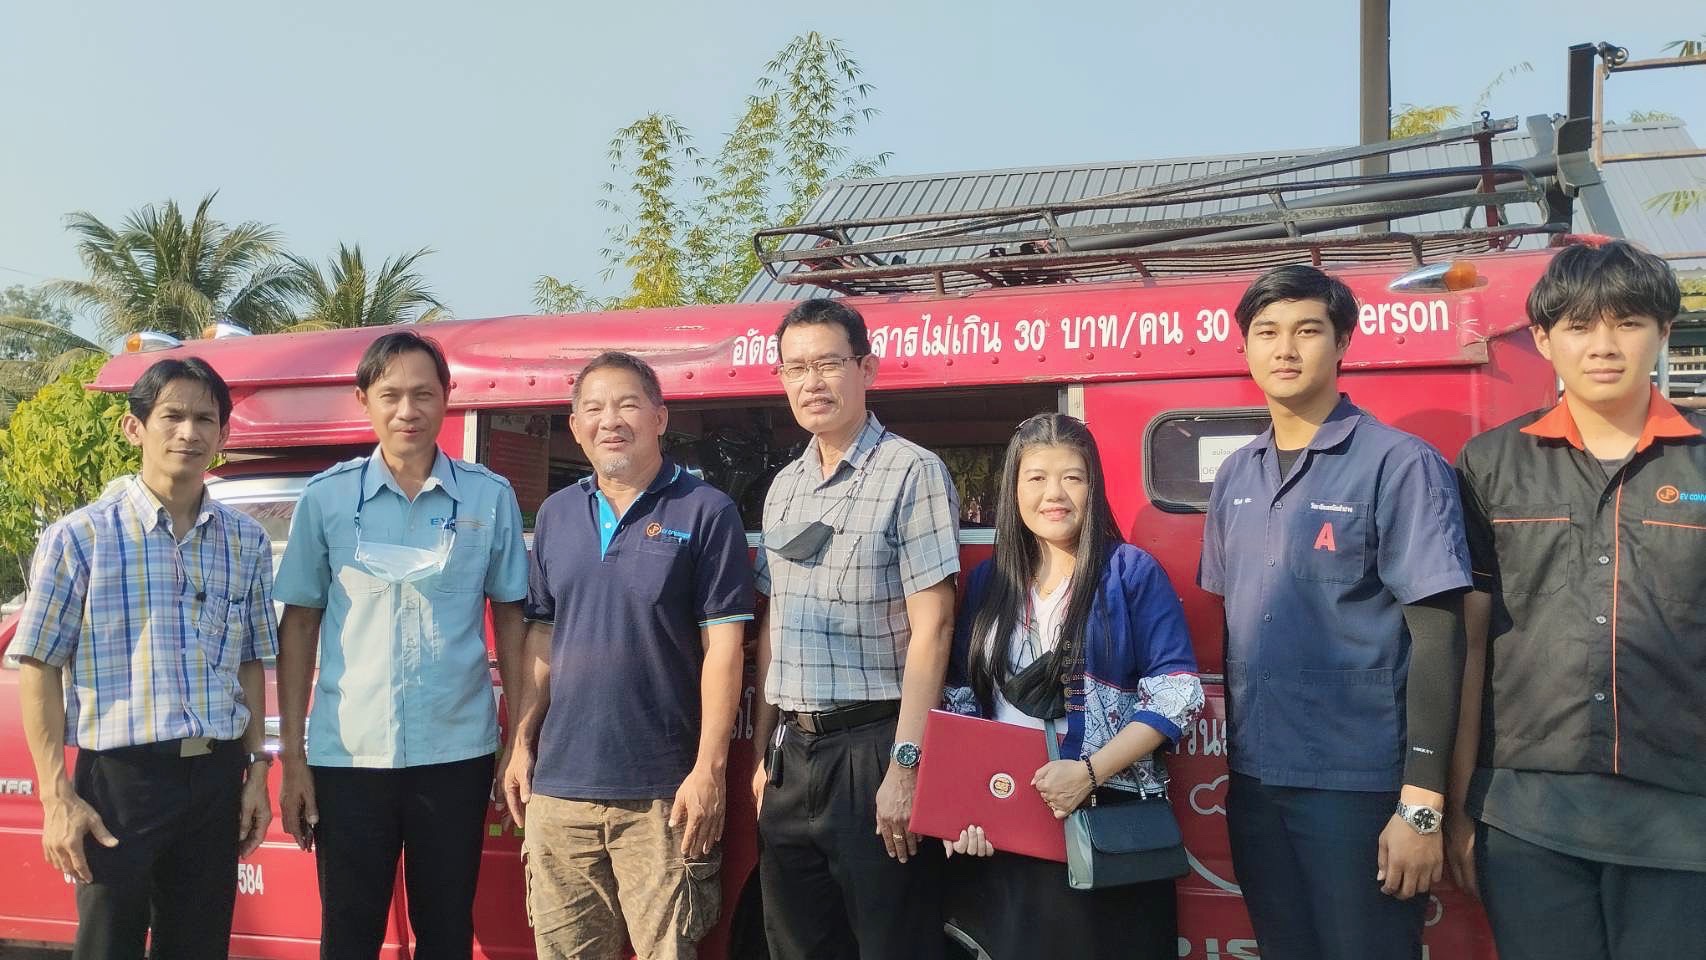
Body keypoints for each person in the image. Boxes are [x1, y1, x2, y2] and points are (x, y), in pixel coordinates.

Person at [1197, 264, 1472, 960]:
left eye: (1307, 330)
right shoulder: (1237, 475)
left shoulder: (1398, 464)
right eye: (1267, 332)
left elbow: (1440, 638)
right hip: (1257, 783)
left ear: (1343, 341)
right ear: (1245, 348)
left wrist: (1422, 803)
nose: (1285, 349)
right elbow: (1236, 622)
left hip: (1359, 789)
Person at [1448, 240, 1706, 958]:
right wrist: (1460, 805)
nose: (1603, 346)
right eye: (1579, 326)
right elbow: (1468, 645)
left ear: (1664, 331)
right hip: (1527, 820)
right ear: (1543, 339)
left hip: (1684, 819)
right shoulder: (1489, 465)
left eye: (1628, 323)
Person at [273, 331, 529, 960]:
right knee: (349, 932)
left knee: (446, 929)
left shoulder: (489, 497)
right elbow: (299, 625)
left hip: (456, 752)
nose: (407, 410)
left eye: (423, 394)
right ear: (364, 400)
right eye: (390, 395)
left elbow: (512, 617)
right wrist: (295, 759)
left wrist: (517, 739)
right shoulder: (327, 499)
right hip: (349, 754)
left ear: (448, 397)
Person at [15, 357, 276, 960]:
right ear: (135, 427)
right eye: (172, 416)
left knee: (199, 947)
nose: (189, 432)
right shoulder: (80, 538)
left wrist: (257, 773)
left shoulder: (246, 540)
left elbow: (249, 662)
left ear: (223, 434)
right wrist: (56, 797)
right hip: (119, 783)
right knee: (109, 946)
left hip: (214, 777)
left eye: (205, 419)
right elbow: (39, 665)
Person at [501, 352, 753, 960]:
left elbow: (724, 648)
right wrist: (521, 743)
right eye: (593, 408)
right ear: (575, 426)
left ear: (659, 418)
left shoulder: (706, 510)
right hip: (559, 793)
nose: (609, 420)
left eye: (627, 405)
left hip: (663, 793)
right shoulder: (557, 514)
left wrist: (709, 769)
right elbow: (542, 637)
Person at [939, 413, 1203, 960]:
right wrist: (964, 807)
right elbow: (962, 700)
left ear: (1093, 487)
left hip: (1105, 820)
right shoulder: (989, 582)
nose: (1053, 494)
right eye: (1036, 478)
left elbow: (1176, 692)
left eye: (1072, 478)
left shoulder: (1130, 573)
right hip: (1010, 818)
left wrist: (1088, 772)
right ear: (1013, 489)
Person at [748, 298, 960, 960]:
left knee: (892, 943)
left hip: (874, 748)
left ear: (866, 369)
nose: (811, 382)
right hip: (792, 756)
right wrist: (763, 757)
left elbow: (934, 626)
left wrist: (906, 765)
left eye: (828, 363)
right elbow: (776, 622)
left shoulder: (912, 471)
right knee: (797, 946)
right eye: (795, 368)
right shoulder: (783, 487)